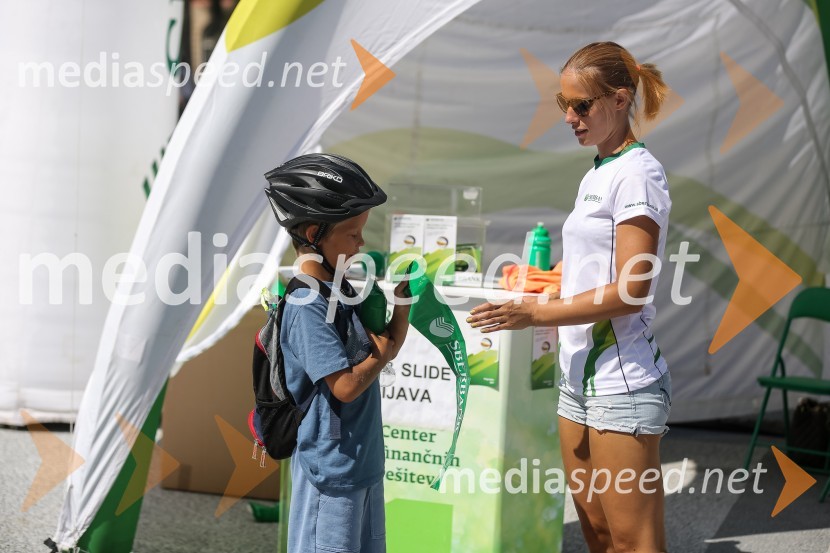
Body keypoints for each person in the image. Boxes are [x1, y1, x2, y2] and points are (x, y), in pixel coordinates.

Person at [468, 42, 672, 553]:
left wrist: (536, 311)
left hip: (621, 383)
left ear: (621, 99)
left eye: (582, 105)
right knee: (597, 532)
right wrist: (545, 280)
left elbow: (631, 288)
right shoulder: (600, 169)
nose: (569, 117)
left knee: (633, 541)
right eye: (564, 105)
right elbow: (592, 269)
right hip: (578, 377)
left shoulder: (637, 173)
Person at [264, 153, 410, 553]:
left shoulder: (340, 290)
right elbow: (345, 386)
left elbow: (386, 350)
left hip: (361, 465)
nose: (361, 242)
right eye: (352, 233)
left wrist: (402, 307)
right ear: (313, 233)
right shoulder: (306, 305)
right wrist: (381, 352)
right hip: (329, 472)